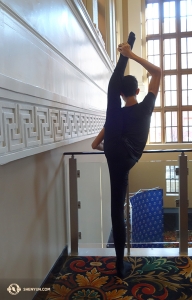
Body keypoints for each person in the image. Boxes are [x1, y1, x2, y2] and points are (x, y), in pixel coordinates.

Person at [91, 35, 161, 278]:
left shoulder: (115, 114)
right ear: (137, 91)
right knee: (118, 208)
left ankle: (119, 264)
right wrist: (132, 55)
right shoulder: (146, 107)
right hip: (129, 157)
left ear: (122, 94)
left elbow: (93, 145)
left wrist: (107, 148)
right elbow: (158, 72)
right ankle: (125, 53)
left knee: (115, 211)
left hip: (112, 149)